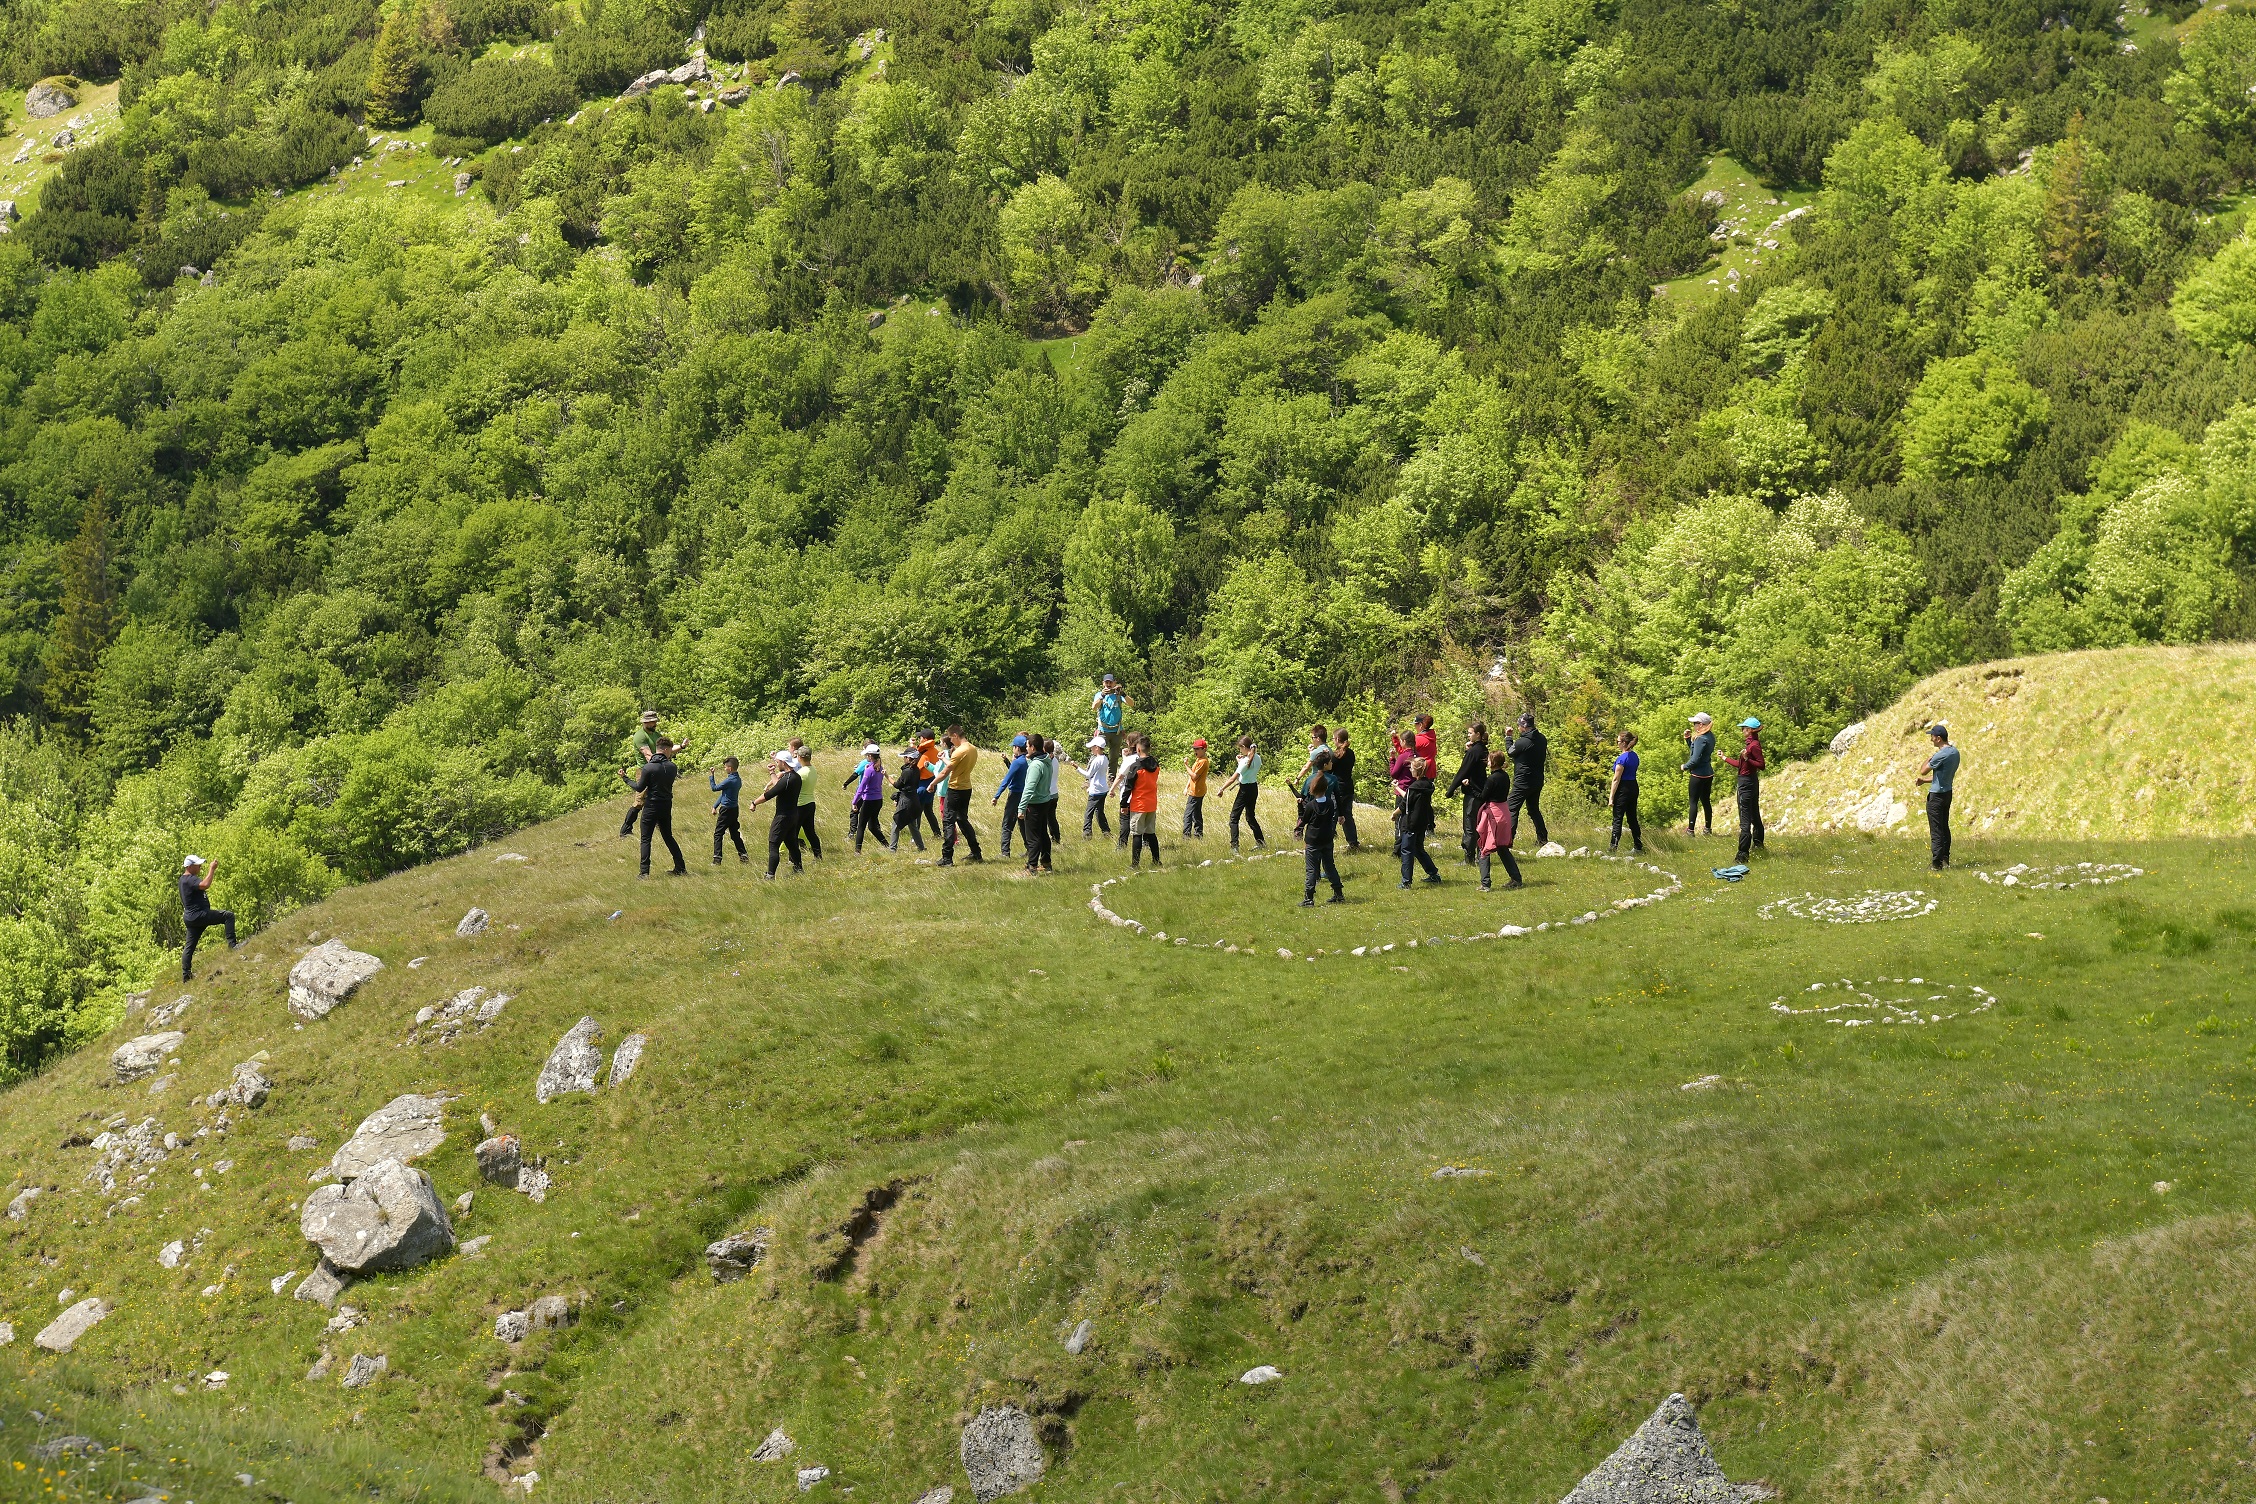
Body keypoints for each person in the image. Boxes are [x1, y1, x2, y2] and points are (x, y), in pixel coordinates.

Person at [619, 736, 687, 877]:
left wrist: (625, 778)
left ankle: (644, 873)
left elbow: (639, 787)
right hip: (666, 805)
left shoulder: (648, 768)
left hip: (651, 806)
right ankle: (680, 867)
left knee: (646, 839)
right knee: (668, 836)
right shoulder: (672, 767)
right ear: (667, 750)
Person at [1298, 747, 1346, 906]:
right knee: (1330, 865)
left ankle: (1308, 898)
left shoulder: (1310, 799)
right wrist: (1341, 814)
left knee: (1311, 869)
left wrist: (1300, 823)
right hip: (1327, 836)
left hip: (1312, 838)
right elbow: (1337, 799)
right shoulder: (1331, 802)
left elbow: (1304, 811)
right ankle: (1338, 893)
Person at [619, 710, 677, 838]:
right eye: (653, 722)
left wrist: (682, 747)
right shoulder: (640, 736)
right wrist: (663, 764)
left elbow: (667, 749)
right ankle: (625, 829)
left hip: (657, 769)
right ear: (646, 722)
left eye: (655, 721)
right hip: (645, 770)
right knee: (640, 801)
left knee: (658, 797)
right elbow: (648, 755)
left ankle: (660, 825)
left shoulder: (657, 734)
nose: (655, 723)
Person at [179, 854, 237, 982]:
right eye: (197, 865)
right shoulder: (190, 879)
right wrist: (212, 869)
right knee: (228, 916)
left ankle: (186, 976)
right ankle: (233, 946)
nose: (200, 866)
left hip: (191, 917)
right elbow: (205, 884)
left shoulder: (183, 880)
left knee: (189, 947)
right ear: (189, 866)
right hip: (199, 915)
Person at [750, 750, 805, 877]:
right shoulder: (795, 777)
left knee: (773, 844)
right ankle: (798, 869)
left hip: (782, 817)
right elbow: (778, 786)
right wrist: (772, 772)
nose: (777, 763)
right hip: (793, 815)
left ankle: (770, 875)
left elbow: (769, 794)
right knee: (792, 843)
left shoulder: (787, 779)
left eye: (778, 762)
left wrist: (754, 802)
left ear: (783, 762)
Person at [1473, 751, 1523, 891]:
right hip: (1504, 812)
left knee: (1484, 848)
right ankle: (1516, 879)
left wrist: (1470, 785)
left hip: (1493, 814)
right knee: (1502, 848)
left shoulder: (1492, 779)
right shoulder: (1505, 776)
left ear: (1494, 762)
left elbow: (1482, 796)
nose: (1487, 762)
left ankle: (1485, 884)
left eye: (1489, 760)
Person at [938, 724, 985, 866]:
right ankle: (976, 853)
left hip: (955, 789)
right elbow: (954, 766)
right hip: (966, 788)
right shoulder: (972, 749)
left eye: (951, 738)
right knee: (962, 820)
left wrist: (932, 784)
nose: (951, 741)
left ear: (955, 736)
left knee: (948, 821)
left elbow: (945, 772)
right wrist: (943, 760)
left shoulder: (959, 751)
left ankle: (947, 858)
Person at [1917, 722, 1959, 870]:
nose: (1931, 739)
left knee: (1936, 829)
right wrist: (1925, 782)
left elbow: (1923, 770)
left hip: (1936, 797)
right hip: (1947, 793)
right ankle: (1945, 859)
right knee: (1944, 827)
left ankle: (1936, 864)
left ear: (1939, 739)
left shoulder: (1940, 755)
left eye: (1932, 737)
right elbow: (1942, 776)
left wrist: (1929, 759)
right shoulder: (1955, 752)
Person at [1724, 717, 1766, 861]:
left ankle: (1742, 854)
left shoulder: (1753, 746)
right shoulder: (1751, 745)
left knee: (1745, 819)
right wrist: (1725, 758)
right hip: (1750, 782)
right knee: (1754, 813)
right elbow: (1741, 765)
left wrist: (1748, 758)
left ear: (1750, 730)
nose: (1742, 730)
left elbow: (1761, 765)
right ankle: (1758, 844)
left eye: (1744, 728)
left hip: (1746, 785)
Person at [1399, 755, 1442, 887]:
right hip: (1422, 823)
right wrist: (1398, 788)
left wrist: (1394, 814)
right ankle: (1433, 874)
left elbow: (1405, 804)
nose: (1411, 770)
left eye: (1412, 768)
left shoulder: (1413, 787)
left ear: (1417, 770)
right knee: (1418, 849)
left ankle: (1406, 882)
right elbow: (1409, 797)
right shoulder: (1428, 785)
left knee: (1406, 851)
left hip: (1411, 823)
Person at [1507, 713, 1549, 846]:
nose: (1518, 727)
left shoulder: (1523, 742)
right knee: (1533, 809)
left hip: (1523, 780)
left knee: (1511, 808)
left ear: (1524, 726)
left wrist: (1508, 737)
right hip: (1537, 780)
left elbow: (1510, 751)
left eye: (1519, 725)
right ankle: (1542, 839)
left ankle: (1507, 840)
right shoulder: (1542, 738)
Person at [1451, 722, 1490, 864]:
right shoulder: (1482, 749)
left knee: (1469, 825)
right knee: (1480, 825)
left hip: (1473, 794)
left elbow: (1463, 771)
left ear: (1477, 734)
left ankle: (1469, 858)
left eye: (1470, 733)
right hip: (1482, 792)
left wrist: (1451, 790)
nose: (1468, 735)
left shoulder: (1474, 752)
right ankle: (1482, 856)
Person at [1121, 734, 1162, 867]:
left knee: (1137, 834)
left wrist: (1124, 804)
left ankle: (1135, 864)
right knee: (1151, 833)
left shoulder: (1136, 766)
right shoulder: (1155, 765)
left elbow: (1128, 787)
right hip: (1151, 803)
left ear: (1138, 749)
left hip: (1139, 804)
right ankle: (1156, 861)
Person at [1217, 736, 1265, 849]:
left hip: (1244, 790)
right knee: (1250, 817)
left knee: (1234, 818)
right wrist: (1240, 761)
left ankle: (1234, 847)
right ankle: (1261, 842)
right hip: (1254, 788)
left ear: (1244, 747)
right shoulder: (1257, 758)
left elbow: (1232, 779)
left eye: (1240, 748)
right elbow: (1249, 768)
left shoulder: (1245, 761)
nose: (1240, 751)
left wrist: (1221, 789)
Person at [1019, 736, 1059, 873]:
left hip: (1034, 804)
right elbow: (1040, 774)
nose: (1025, 748)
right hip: (1045, 802)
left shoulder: (1036, 765)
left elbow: (1029, 788)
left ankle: (1032, 867)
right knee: (1043, 834)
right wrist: (1030, 762)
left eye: (1027, 745)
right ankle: (1046, 863)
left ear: (1032, 747)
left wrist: (1021, 808)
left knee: (1033, 837)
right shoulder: (1046, 760)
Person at [844, 744, 887, 853]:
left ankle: (857, 851)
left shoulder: (869, 769)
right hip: (878, 800)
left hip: (869, 801)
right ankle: (887, 845)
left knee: (861, 826)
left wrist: (854, 802)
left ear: (870, 756)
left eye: (867, 755)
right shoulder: (880, 767)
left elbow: (862, 787)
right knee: (872, 826)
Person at [992, 734, 1030, 856]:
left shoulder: (1018, 762)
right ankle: (1029, 849)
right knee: (1023, 823)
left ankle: (1005, 852)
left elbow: (1007, 780)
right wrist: (1008, 761)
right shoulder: (1028, 761)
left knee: (1007, 824)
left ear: (1017, 748)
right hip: (1024, 796)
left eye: (1013, 747)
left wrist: (996, 796)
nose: (1012, 749)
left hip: (1014, 796)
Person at [1608, 730, 1643, 855]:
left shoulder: (1622, 759)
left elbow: (1616, 779)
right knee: (1632, 818)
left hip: (1623, 789)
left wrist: (1611, 797)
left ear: (1623, 743)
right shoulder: (1634, 756)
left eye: (1618, 741)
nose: (1617, 744)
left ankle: (1613, 847)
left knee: (1618, 818)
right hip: (1633, 786)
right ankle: (1638, 846)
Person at [787, 738, 823, 859]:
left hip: (800, 805)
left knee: (793, 834)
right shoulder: (813, 770)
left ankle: (793, 860)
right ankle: (818, 856)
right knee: (810, 832)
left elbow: (790, 788)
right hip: (810, 803)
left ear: (800, 757)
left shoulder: (801, 773)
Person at [1681, 713, 1716, 837]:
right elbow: (1697, 751)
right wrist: (1688, 739)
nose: (1694, 725)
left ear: (1701, 724)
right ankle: (1707, 828)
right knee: (1706, 801)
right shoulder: (1710, 736)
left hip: (1698, 775)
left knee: (1693, 802)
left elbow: (1695, 759)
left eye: (1695, 723)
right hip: (1708, 773)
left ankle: (1690, 831)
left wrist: (1685, 766)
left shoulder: (1701, 738)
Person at [711, 755, 747, 864]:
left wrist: (712, 776)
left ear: (730, 768)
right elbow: (724, 794)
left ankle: (717, 859)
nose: (725, 769)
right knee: (734, 833)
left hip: (726, 810)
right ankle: (743, 855)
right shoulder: (738, 779)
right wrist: (715, 806)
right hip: (734, 809)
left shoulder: (729, 781)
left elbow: (714, 788)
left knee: (718, 834)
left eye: (725, 767)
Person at [889, 746, 926, 852]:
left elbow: (897, 784)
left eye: (905, 757)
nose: (904, 758)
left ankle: (892, 849)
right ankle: (921, 847)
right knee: (913, 825)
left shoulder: (907, 771)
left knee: (896, 824)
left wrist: (887, 776)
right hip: (914, 800)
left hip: (906, 801)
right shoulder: (916, 770)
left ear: (909, 758)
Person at [1075, 735, 1112, 838]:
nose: (1091, 749)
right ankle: (1106, 832)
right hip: (1103, 789)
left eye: (1092, 747)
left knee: (1088, 813)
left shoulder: (1096, 760)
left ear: (1097, 747)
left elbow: (1088, 774)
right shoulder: (1105, 758)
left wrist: (1077, 768)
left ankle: (1087, 834)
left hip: (1095, 790)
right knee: (1099, 812)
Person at [1092, 673, 1133, 766]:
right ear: (1103, 683)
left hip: (1117, 731)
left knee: (1114, 757)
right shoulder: (1099, 695)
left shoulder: (1119, 695)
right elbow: (1094, 707)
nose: (1108, 684)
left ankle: (1111, 778)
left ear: (1114, 683)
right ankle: (1090, 776)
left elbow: (1131, 704)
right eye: (1106, 682)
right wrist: (1102, 695)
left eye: (1110, 682)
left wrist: (1123, 694)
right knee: (1096, 753)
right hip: (1103, 730)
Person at [1333, 729, 1361, 851]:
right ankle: (1353, 842)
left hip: (1338, 788)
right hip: (1348, 787)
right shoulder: (1351, 753)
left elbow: (1328, 769)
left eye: (1334, 739)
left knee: (1333, 815)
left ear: (1338, 739)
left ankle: (1326, 841)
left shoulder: (1336, 755)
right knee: (1348, 816)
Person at [915, 730, 945, 838]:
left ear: (925, 739)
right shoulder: (935, 751)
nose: (919, 739)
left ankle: (915, 836)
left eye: (920, 737)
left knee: (917, 811)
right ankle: (937, 833)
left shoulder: (925, 755)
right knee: (928, 810)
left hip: (923, 785)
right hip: (932, 782)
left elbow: (917, 770)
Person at [1181, 738, 1210, 837]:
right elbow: (1192, 777)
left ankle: (1186, 836)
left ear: (1204, 749)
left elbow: (1194, 776)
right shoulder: (1199, 759)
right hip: (1195, 790)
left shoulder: (1203, 761)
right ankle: (1198, 834)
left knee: (1188, 814)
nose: (1195, 751)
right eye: (1194, 749)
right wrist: (1186, 787)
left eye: (1197, 749)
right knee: (1196, 813)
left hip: (1196, 792)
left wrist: (1186, 765)